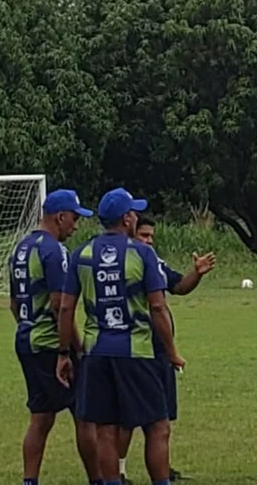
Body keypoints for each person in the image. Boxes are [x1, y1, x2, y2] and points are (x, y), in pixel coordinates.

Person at [58, 188, 185, 485]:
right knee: (157, 426)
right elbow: (158, 306)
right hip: (136, 352)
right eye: (134, 212)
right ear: (127, 219)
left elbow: (65, 307)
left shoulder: (82, 254)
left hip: (96, 353)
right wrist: (171, 351)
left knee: (105, 429)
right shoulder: (142, 253)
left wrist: (65, 353)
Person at [113, 215, 216, 484]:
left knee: (162, 417)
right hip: (137, 348)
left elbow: (179, 286)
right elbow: (156, 306)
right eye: (143, 236)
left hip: (159, 350)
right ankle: (119, 471)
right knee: (129, 417)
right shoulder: (126, 262)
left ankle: (162, 468)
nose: (149, 241)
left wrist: (197, 273)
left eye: (151, 237)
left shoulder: (153, 260)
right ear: (130, 234)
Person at [10, 189, 92, 485]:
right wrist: (72, 349)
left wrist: (28, 327)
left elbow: (14, 304)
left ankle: (29, 480)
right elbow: (61, 306)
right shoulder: (55, 251)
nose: (76, 225)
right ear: (60, 217)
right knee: (85, 412)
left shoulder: (21, 248)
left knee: (41, 415)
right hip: (49, 344)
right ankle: (99, 480)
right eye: (74, 218)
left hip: (25, 339)